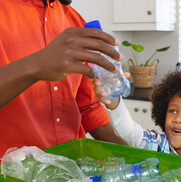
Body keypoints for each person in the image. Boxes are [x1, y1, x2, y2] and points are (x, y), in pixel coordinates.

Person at [0, 0, 128, 159]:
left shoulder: (75, 21)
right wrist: (36, 65)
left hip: (72, 170)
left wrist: (124, 149)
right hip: (13, 174)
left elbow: (88, 107)